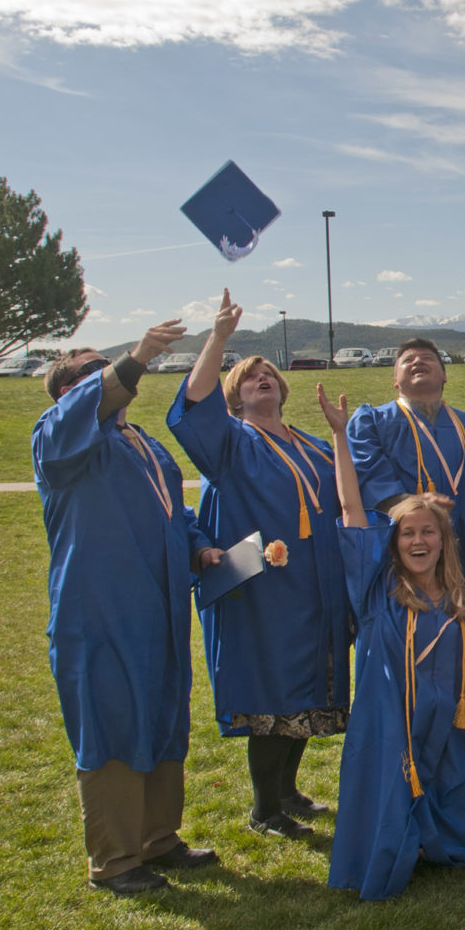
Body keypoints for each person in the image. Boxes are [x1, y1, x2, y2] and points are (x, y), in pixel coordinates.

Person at [34, 325, 222, 895]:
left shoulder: (142, 443)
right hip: (99, 609)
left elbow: (176, 512)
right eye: (94, 371)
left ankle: (158, 838)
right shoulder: (60, 438)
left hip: (160, 604)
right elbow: (92, 402)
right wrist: (137, 355)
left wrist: (199, 547)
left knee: (163, 713)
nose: (111, 377)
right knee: (113, 723)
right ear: (70, 392)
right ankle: (114, 861)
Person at [320, 385, 465, 901]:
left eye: (428, 532)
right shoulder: (377, 592)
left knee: (456, 817)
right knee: (390, 801)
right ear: (394, 541)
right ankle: (397, 846)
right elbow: (350, 507)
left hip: (451, 727)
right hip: (392, 726)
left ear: (443, 540)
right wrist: (342, 437)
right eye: (407, 533)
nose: (418, 541)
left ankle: (438, 841)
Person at [168, 289, 350, 839]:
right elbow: (192, 406)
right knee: (271, 692)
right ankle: (263, 808)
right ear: (235, 396)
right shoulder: (229, 443)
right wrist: (220, 338)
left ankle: (289, 792)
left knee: (305, 692)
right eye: (249, 378)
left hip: (316, 589)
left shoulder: (312, 445)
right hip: (263, 591)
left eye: (268, 373)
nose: (261, 380)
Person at [346, 338, 465, 586]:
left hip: (462, 561)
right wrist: (411, 503)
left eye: (427, 358)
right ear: (395, 381)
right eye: (407, 360)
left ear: (445, 375)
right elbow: (370, 478)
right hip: (399, 560)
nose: (417, 361)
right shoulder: (372, 423)